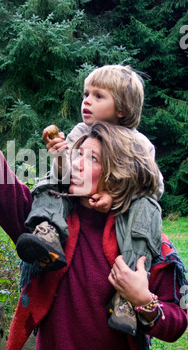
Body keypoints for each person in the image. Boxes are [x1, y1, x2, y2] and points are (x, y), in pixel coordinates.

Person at [0, 120, 187, 350]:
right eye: (77, 153)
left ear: (118, 172)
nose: (78, 163)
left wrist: (144, 301)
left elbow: (177, 320)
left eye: (92, 158)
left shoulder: (144, 239)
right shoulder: (47, 226)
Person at [15, 65, 164, 273]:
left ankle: (133, 275)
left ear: (122, 109)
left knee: (147, 206)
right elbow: (66, 176)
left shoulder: (138, 143)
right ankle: (47, 230)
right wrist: (59, 157)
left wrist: (115, 196)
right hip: (77, 198)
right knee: (52, 180)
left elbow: (154, 187)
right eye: (86, 94)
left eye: (98, 96)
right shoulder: (81, 132)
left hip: (124, 212)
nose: (87, 100)